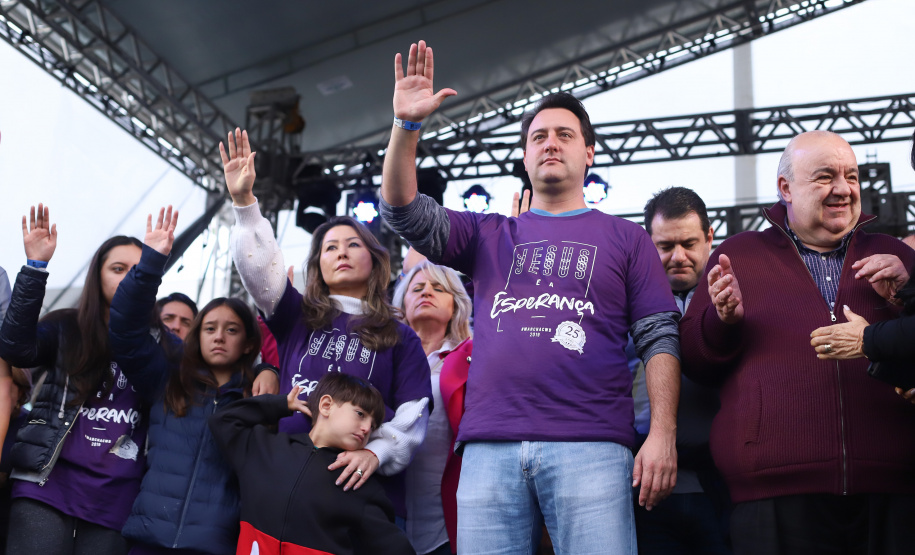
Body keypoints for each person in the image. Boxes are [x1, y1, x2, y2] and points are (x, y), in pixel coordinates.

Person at [380, 40, 681, 554]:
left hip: (593, 446)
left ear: (589, 152)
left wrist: (662, 433)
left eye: (565, 135)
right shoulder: (489, 233)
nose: (550, 143)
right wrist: (406, 129)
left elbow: (659, 338)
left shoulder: (628, 238)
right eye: (539, 136)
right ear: (524, 156)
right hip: (488, 448)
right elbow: (402, 213)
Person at [679, 130, 915, 555]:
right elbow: (694, 361)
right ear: (785, 188)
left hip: (894, 489)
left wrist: (904, 299)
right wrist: (723, 321)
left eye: (852, 177)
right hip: (770, 493)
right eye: (825, 177)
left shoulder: (896, 256)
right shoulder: (739, 256)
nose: (843, 189)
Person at [220, 129, 431, 519]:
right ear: (317, 266)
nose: (342, 253)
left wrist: (375, 452)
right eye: (330, 248)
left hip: (362, 492)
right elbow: (260, 272)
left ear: (375, 259)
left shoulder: (399, 335)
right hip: (290, 476)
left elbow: (414, 412)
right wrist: (244, 203)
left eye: (353, 244)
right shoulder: (297, 315)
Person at [108, 207, 265, 554]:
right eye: (209, 328)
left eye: (232, 329)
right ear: (197, 335)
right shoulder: (169, 381)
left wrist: (271, 371)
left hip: (214, 545)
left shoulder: (258, 400)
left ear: (248, 343)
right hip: (146, 540)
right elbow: (124, 329)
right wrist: (150, 263)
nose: (219, 336)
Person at [0, 204, 148, 554]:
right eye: (118, 268)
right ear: (98, 276)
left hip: (115, 499)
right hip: (46, 484)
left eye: (140, 271)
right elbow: (16, 349)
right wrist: (35, 268)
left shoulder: (160, 345)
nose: (128, 277)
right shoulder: (66, 325)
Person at [209, 372, 416, 555]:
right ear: (326, 406)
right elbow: (222, 421)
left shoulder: (357, 484)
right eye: (360, 414)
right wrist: (281, 404)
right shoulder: (264, 449)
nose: (366, 429)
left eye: (373, 425)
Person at [632, 187, 730, 554]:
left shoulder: (738, 297)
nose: (678, 257)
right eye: (665, 246)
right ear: (647, 243)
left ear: (709, 238)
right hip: (645, 488)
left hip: (725, 485)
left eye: (689, 243)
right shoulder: (624, 304)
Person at [392, 261, 473, 555]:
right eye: (417, 288)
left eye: (438, 288)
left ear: (456, 306)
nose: (427, 292)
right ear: (402, 304)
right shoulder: (384, 356)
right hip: (388, 521)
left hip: (449, 525)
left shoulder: (473, 356)